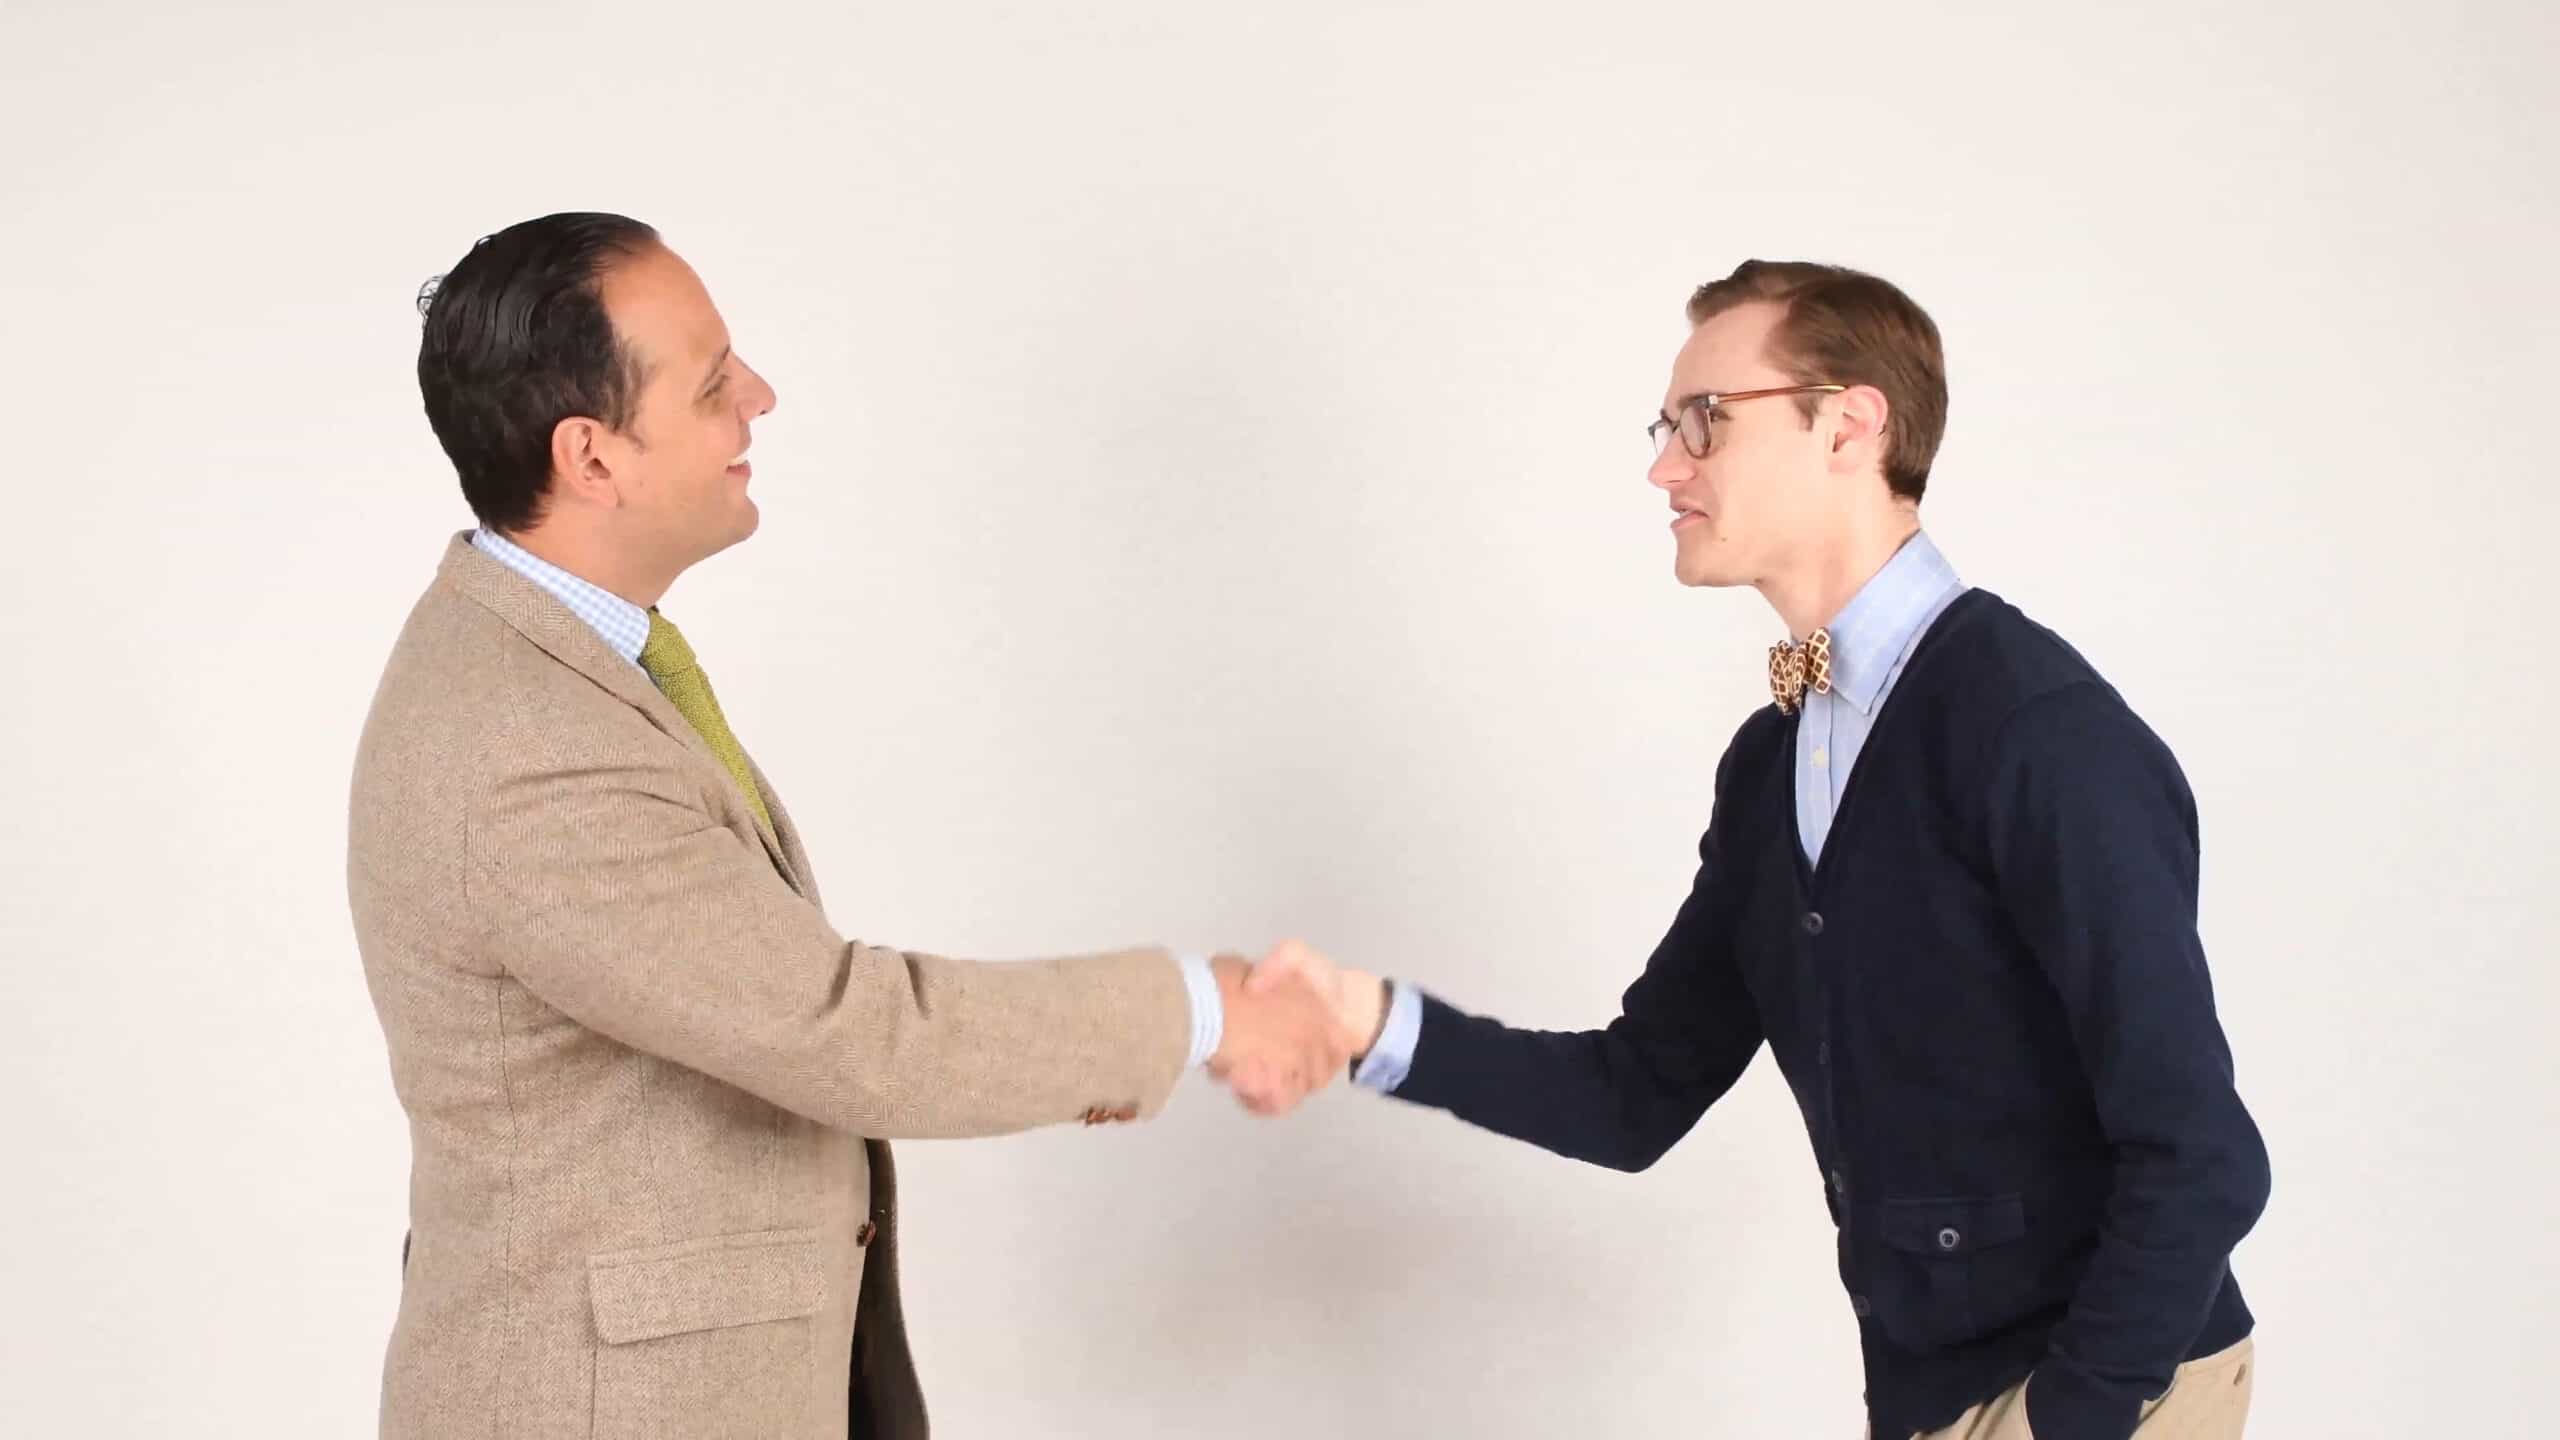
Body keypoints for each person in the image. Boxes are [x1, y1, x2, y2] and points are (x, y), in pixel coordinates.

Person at [348, 211, 1345, 1440]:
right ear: (591, 456)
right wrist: (1200, 1009)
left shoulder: (564, 669)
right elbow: (847, 1032)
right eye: (713, 384)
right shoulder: (528, 745)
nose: (759, 398)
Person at [1258, 261, 2271, 1440]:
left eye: (1705, 420)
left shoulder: (2036, 731)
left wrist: (2073, 1414)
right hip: (1935, 1396)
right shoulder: (1770, 766)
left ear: (1848, 425)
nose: (1664, 467)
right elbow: (1634, 1095)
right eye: (1666, 428)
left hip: (2110, 1392)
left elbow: (2200, 1155)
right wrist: (1366, 1024)